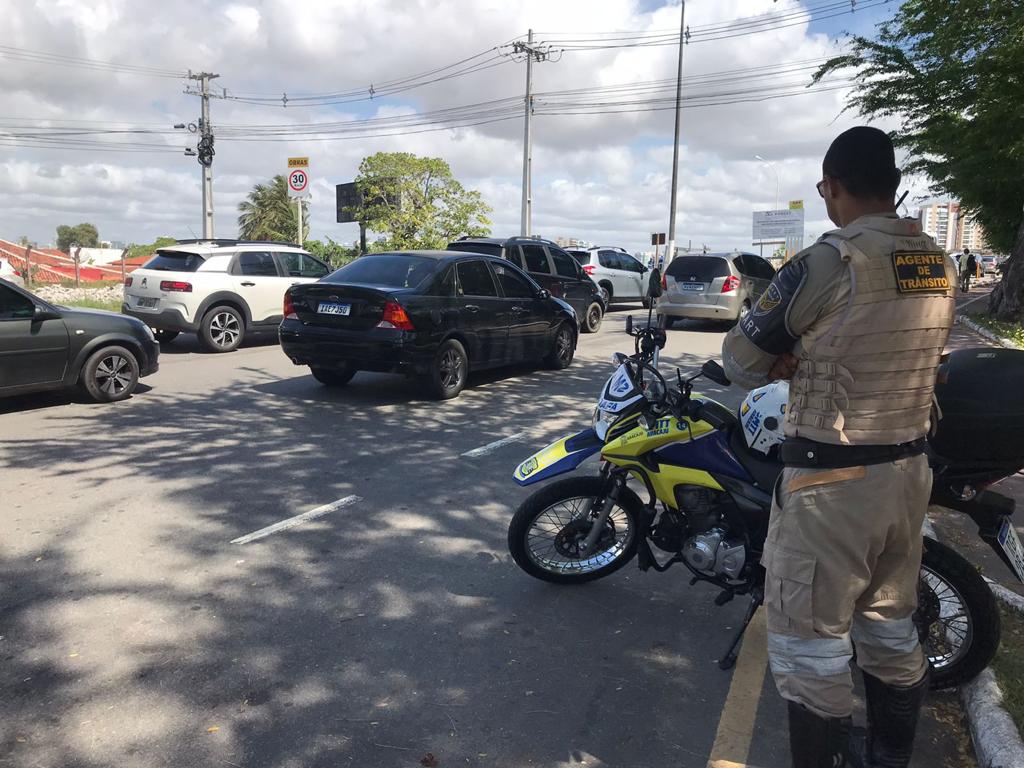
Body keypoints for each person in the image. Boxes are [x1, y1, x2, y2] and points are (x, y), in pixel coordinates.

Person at [722, 126, 956, 767]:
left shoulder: (827, 261)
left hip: (832, 485)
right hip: (907, 477)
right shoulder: (937, 259)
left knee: (810, 648)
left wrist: (791, 358)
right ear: (896, 187)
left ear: (832, 187)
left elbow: (741, 357)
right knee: (888, 628)